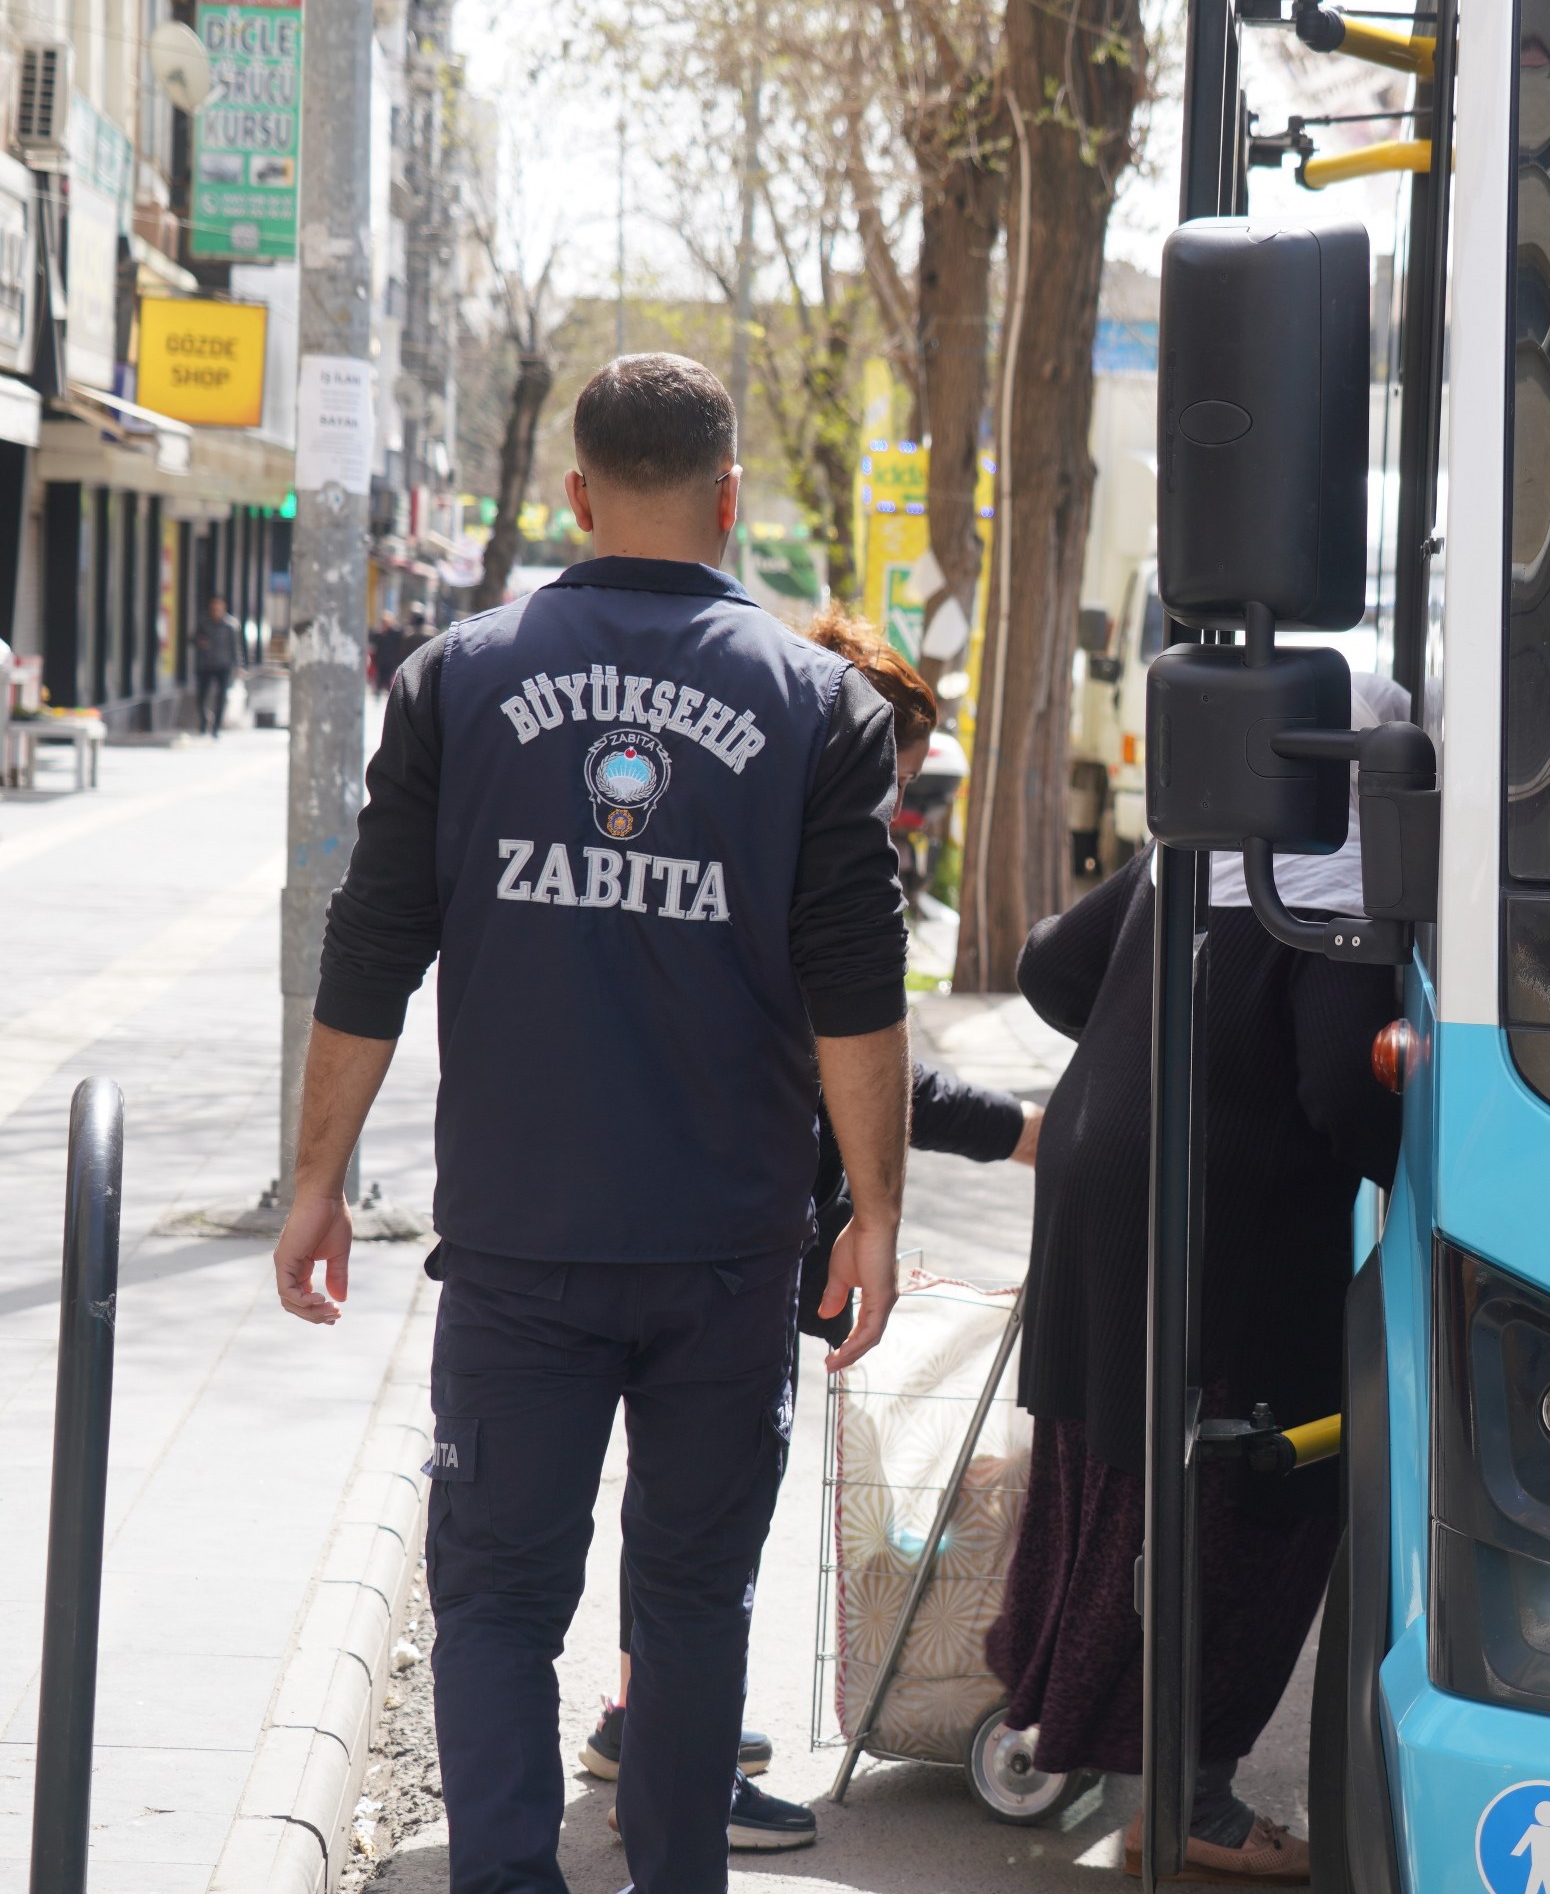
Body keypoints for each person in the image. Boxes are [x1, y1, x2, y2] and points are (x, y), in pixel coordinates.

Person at [272, 352, 912, 1894]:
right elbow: (857, 991)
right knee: (692, 1599)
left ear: (573, 495)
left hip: (519, 1243)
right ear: (730, 498)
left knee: (494, 1595)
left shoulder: (455, 679)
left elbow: (371, 947)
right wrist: (877, 1213)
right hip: (724, 1250)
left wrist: (314, 1184)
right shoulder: (820, 704)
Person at [575, 606, 1041, 1849]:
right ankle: (679, 1777)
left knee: (671, 1508)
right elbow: (873, 1066)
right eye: (886, 773)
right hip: (730, 1227)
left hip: (651, 1204)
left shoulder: (726, 827)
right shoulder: (810, 852)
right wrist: (999, 1147)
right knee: (701, 1522)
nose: (888, 804)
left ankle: (645, 1724)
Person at [985, 673, 1409, 1884]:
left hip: (1097, 1185)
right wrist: (1430, 1176)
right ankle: (1191, 1799)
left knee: (1108, 1462)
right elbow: (1339, 1085)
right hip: (1218, 1221)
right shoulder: (1334, 884)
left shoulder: (1201, 850)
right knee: (1252, 1492)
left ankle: (1069, 1716)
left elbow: (1048, 967)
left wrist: (1151, 1041)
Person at [192, 596, 240, 735]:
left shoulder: (230, 626)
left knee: (221, 697)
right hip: (205, 665)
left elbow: (235, 647)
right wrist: (200, 642)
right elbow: (193, 639)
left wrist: (238, 666)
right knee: (201, 697)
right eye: (213, 609)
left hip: (223, 666)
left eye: (219, 609)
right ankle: (204, 721)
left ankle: (216, 727)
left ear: (224, 609)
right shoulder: (204, 624)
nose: (216, 611)